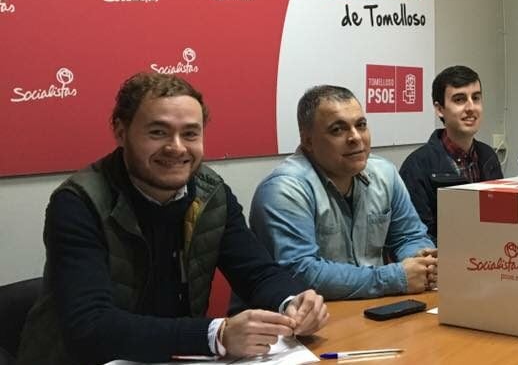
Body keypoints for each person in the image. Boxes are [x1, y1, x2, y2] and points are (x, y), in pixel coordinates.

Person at [17, 73, 329, 365]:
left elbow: (257, 272)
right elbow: (90, 326)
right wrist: (215, 335)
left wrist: (292, 302)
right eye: (158, 132)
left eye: (190, 133)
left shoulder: (212, 193)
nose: (176, 148)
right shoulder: (78, 202)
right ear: (121, 132)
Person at [250, 85, 437, 300]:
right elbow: (301, 273)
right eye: (338, 130)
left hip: (370, 306)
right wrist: (395, 278)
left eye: (361, 125)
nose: (356, 137)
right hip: (299, 315)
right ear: (308, 141)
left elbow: (409, 235)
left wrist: (421, 259)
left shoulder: (384, 173)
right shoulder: (284, 190)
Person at [400, 65, 503, 244]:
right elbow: (417, 237)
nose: (471, 107)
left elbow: (500, 220)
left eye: (476, 98)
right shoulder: (417, 166)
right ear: (440, 109)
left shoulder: (488, 157)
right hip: (443, 259)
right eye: (459, 99)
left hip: (490, 256)